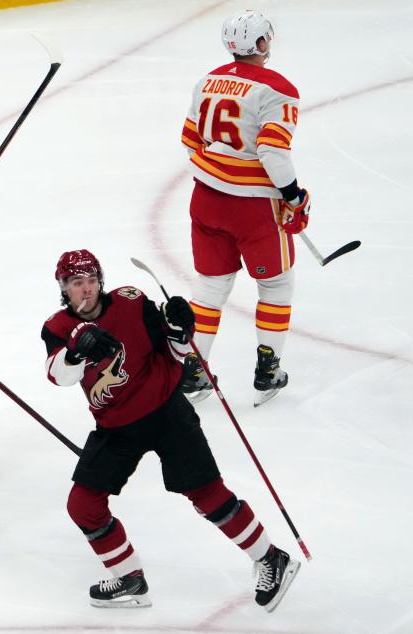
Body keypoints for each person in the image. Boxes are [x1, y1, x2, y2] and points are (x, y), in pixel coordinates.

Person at [42, 249, 299, 611]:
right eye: (75, 284)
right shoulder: (58, 328)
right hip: (115, 427)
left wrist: (182, 328)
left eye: (91, 281)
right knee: (83, 505)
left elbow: (176, 352)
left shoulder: (132, 302)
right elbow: (59, 377)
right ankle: (130, 579)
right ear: (63, 289)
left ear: (101, 282)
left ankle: (272, 558)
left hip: (167, 412)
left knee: (207, 493)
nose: (85, 290)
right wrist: (74, 352)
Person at [179, 10, 311, 406]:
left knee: (209, 286)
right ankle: (268, 370)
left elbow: (189, 140)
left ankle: (194, 371)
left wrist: (220, 171)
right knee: (276, 284)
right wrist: (293, 195)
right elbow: (272, 149)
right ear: (261, 44)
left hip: (206, 199)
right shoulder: (277, 88)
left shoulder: (207, 80)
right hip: (254, 209)